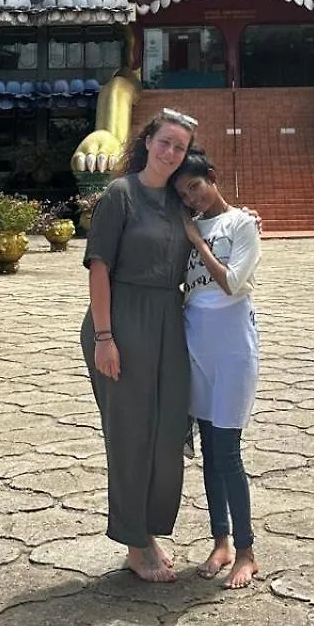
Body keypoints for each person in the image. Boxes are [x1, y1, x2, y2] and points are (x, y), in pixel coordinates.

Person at [81, 106, 199, 583]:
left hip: (169, 320)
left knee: (169, 429)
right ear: (148, 141)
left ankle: (150, 527)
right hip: (122, 319)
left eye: (181, 147)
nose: (171, 152)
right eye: (165, 141)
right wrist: (106, 338)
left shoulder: (177, 201)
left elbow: (210, 226)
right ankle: (134, 540)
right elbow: (99, 268)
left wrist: (240, 217)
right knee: (131, 433)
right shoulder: (120, 195)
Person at [174, 149, 261, 589]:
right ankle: (221, 541)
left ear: (211, 177)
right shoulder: (186, 225)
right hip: (196, 350)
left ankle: (246, 550)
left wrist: (198, 243)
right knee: (209, 455)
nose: (192, 199)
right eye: (183, 193)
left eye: (195, 186)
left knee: (227, 453)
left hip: (232, 352)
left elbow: (230, 282)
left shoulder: (241, 225)